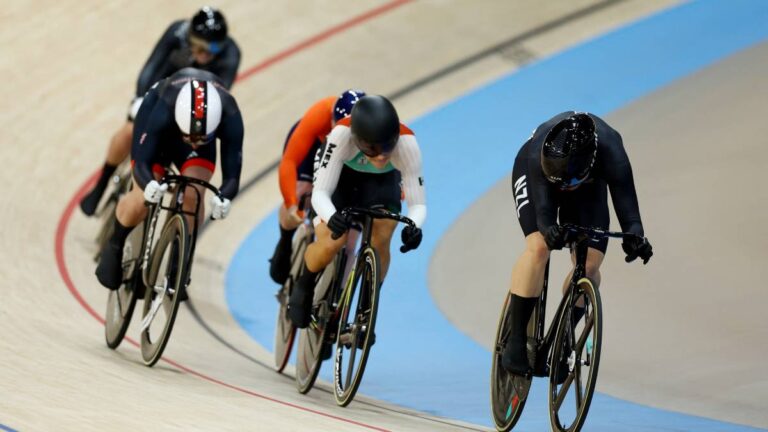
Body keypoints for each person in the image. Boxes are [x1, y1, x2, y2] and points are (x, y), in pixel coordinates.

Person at [501, 111, 653, 376]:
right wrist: (549, 229)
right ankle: (515, 343)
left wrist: (635, 237)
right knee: (538, 247)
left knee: (591, 267)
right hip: (536, 171)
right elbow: (545, 214)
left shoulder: (611, 149)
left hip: (589, 186)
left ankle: (564, 338)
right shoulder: (539, 152)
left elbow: (629, 211)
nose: (565, 189)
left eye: (568, 184)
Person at [80, 6, 241, 216]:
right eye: (201, 48)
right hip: (158, 97)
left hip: (191, 108)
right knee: (129, 131)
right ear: (191, 39)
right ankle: (101, 183)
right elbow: (151, 68)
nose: (207, 55)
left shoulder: (231, 53)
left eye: (213, 50)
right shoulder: (177, 33)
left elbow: (220, 91)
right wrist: (140, 97)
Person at [95, 68, 244, 291]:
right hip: (159, 127)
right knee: (141, 199)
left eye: (202, 138)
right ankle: (115, 244)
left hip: (189, 132)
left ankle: (178, 263)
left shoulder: (229, 114)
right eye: (190, 137)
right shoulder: (163, 107)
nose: (195, 143)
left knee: (193, 195)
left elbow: (232, 173)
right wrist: (149, 184)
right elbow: (142, 162)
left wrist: (224, 197)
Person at [287, 95, 427, 329]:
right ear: (358, 140)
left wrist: (414, 225)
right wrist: (332, 217)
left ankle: (366, 309)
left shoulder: (407, 144)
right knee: (332, 241)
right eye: (373, 149)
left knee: (382, 236)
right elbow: (320, 193)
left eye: (388, 147)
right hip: (341, 179)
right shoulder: (340, 136)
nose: (382, 155)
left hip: (381, 184)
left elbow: (418, 204)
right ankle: (304, 285)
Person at [268, 89, 366, 284]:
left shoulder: (368, 131)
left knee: (351, 233)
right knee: (301, 191)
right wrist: (291, 204)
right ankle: (286, 240)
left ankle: (335, 299)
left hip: (347, 158)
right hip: (314, 146)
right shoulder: (318, 115)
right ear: (331, 120)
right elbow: (289, 162)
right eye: (338, 128)